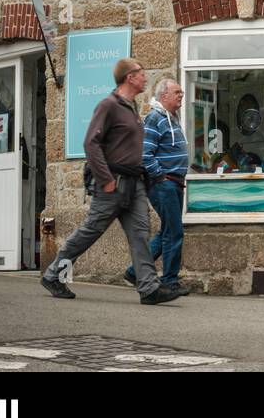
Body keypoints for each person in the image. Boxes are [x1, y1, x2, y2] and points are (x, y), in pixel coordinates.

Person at [39, 58, 180, 305]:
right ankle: (53, 275)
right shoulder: (108, 106)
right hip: (113, 182)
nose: (145, 77)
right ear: (130, 77)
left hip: (134, 183)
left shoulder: (131, 107)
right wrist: (105, 179)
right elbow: (90, 143)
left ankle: (148, 288)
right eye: (141, 73)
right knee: (89, 231)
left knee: (139, 233)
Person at [124, 78, 189, 296]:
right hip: (165, 183)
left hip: (174, 182)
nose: (181, 95)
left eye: (181, 92)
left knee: (167, 232)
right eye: (177, 92)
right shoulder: (155, 118)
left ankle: (135, 271)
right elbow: (145, 154)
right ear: (164, 96)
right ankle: (169, 280)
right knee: (174, 232)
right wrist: (160, 177)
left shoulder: (171, 117)